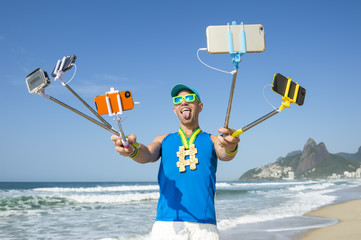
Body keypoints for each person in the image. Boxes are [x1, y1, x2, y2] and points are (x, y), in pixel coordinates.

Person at [111, 84, 240, 240]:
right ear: (174, 110)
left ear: (200, 106)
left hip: (205, 225)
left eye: (189, 98)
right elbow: (147, 154)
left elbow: (225, 153)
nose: (183, 102)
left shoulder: (212, 140)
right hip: (167, 224)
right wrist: (132, 149)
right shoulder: (163, 139)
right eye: (178, 100)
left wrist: (231, 145)